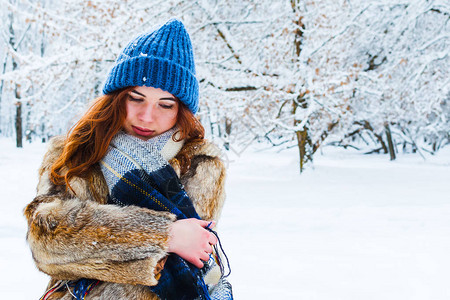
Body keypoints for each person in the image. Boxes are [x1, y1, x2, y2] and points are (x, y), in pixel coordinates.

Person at [24, 19, 232, 300]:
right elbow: (47, 241)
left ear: (181, 110)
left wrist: (112, 250)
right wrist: (163, 236)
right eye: (136, 98)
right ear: (117, 98)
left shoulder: (199, 166)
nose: (147, 116)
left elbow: (186, 261)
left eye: (165, 105)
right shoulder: (74, 154)